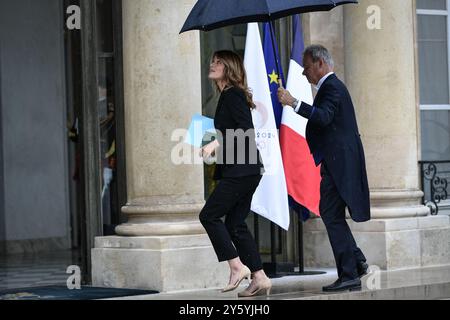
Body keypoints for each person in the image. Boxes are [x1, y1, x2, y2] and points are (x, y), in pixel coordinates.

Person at [278, 45, 370, 292]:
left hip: (339, 165)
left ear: (320, 63)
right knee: (332, 214)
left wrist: (294, 103)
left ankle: (349, 273)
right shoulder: (330, 87)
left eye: (306, 67)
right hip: (335, 163)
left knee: (330, 214)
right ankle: (356, 261)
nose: (304, 73)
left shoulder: (332, 87)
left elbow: (324, 116)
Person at [199, 50, 271, 297]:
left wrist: (215, 143)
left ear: (229, 68)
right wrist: (209, 141)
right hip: (245, 170)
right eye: (212, 60)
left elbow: (245, 130)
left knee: (209, 215)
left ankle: (236, 266)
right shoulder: (226, 96)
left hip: (242, 171)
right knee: (235, 224)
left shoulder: (233, 95)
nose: (212, 64)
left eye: (218, 62)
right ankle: (260, 277)